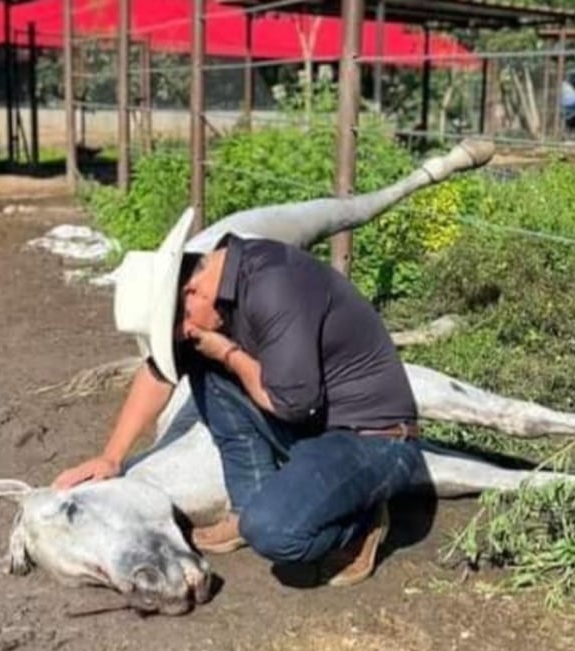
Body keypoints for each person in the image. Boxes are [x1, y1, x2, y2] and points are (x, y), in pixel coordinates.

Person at [53, 138, 496, 586]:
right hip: (320, 421)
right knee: (203, 367)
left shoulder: (273, 289)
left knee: (276, 535)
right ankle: (249, 505)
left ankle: (361, 519)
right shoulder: (216, 294)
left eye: (181, 328)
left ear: (189, 293)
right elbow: (159, 373)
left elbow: (290, 404)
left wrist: (227, 351)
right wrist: (111, 457)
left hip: (373, 438)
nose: (187, 336)